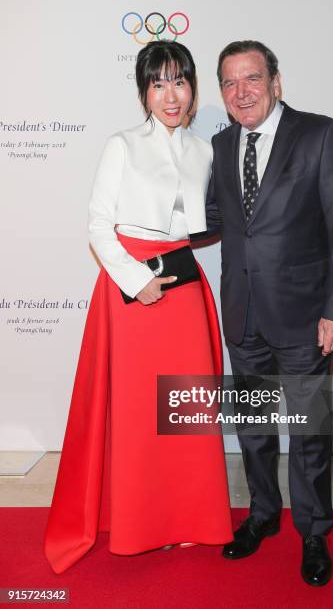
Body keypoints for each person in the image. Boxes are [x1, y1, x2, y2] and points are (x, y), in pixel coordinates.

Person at [44, 40, 233, 574]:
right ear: (143, 92)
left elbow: (212, 222)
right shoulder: (121, 145)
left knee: (188, 410)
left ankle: (192, 520)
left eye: (179, 81)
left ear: (193, 89)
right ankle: (142, 523)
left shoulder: (208, 150)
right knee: (138, 414)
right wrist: (134, 281)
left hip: (186, 291)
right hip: (132, 292)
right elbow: (100, 227)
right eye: (157, 83)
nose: (169, 95)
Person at [205, 40, 333, 586]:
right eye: (229, 83)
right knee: (252, 427)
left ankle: (314, 532)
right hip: (242, 314)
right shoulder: (221, 145)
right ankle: (263, 515)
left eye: (251, 78)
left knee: (309, 431)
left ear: (276, 81)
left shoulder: (321, 134)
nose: (241, 92)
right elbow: (211, 218)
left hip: (305, 316)